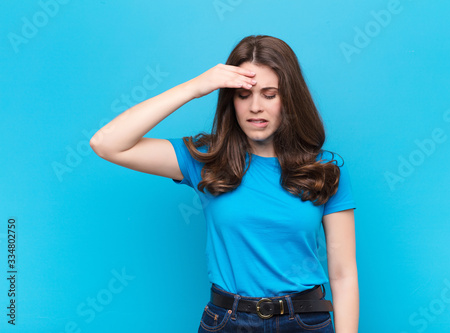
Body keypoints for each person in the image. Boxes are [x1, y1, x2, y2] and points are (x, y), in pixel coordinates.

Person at [90, 35, 359, 333]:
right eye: (244, 95)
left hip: (305, 321)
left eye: (270, 95)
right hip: (228, 322)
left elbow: (343, 273)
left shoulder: (324, 170)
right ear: (231, 100)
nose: (255, 106)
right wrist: (194, 88)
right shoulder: (205, 159)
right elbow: (107, 143)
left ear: (290, 99)